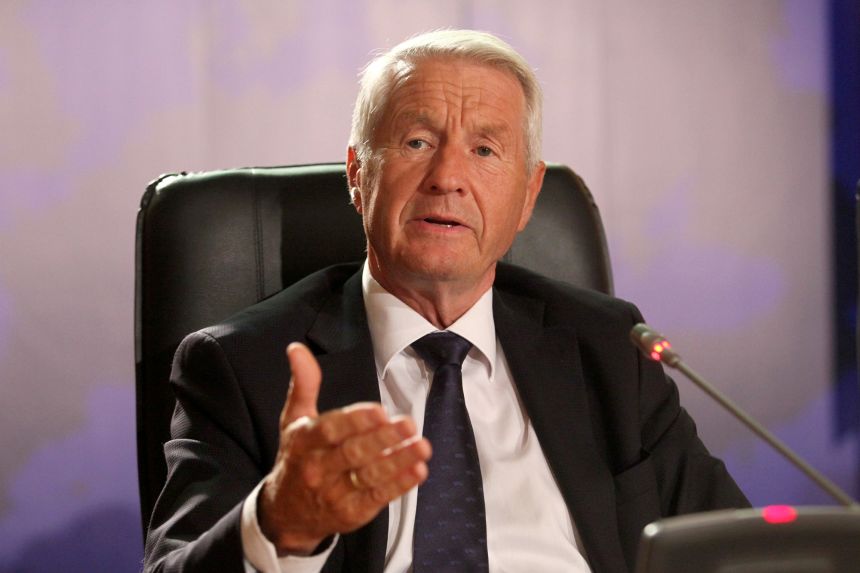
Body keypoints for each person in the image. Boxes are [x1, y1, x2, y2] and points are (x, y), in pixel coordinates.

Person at [143, 29, 748, 573]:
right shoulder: (241, 365)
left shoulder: (609, 349)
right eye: (416, 141)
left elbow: (733, 552)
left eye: (485, 150)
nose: (447, 177)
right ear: (357, 174)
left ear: (529, 194)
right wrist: (281, 525)